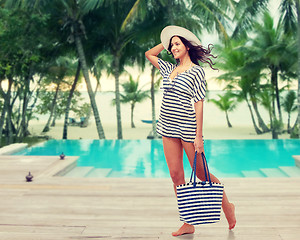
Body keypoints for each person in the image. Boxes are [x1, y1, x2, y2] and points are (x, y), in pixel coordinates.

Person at [145, 25, 236, 237]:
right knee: (177, 176)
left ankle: (228, 207)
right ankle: (188, 222)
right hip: (167, 127)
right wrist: (166, 40)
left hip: (188, 129)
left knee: (203, 174)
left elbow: (199, 103)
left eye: (178, 44)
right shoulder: (168, 69)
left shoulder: (196, 71)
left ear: (187, 46)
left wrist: (198, 136)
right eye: (172, 45)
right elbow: (149, 54)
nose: (173, 47)